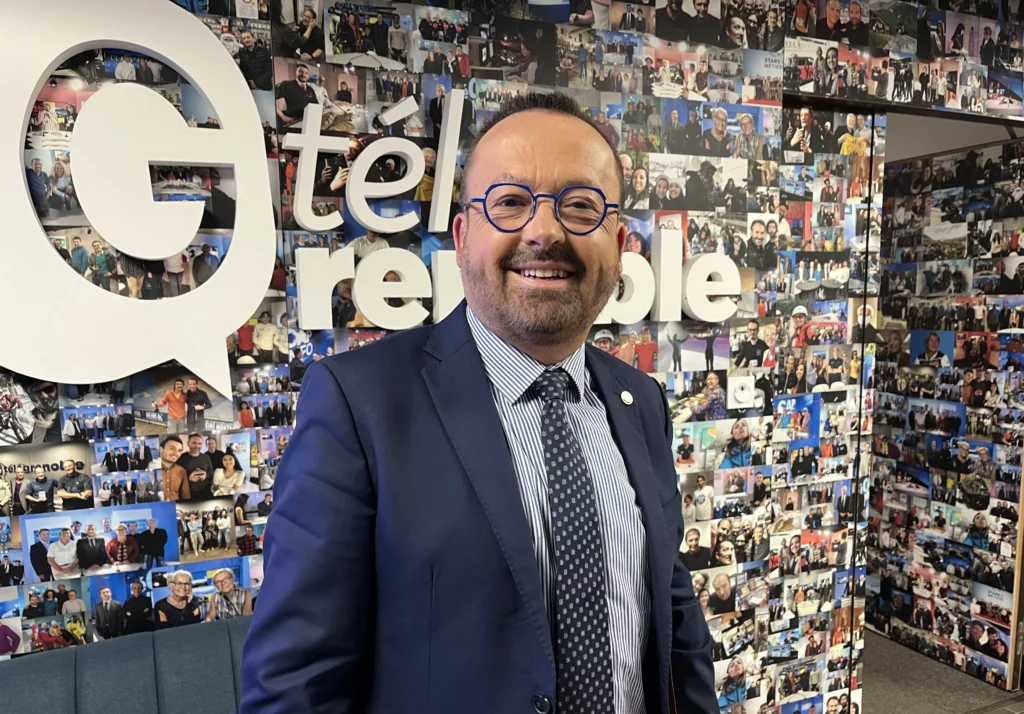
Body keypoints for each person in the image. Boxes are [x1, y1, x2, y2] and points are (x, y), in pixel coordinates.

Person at [240, 92, 717, 714]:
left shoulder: (641, 402)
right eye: (510, 202)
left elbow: (674, 616)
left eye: (580, 205)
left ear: (620, 243)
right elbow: (295, 685)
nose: (543, 232)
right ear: (463, 237)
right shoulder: (358, 404)